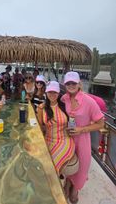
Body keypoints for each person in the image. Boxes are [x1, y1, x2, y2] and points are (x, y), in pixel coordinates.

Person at [61, 71, 104, 203]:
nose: (71, 85)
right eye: (68, 83)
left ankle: (75, 189)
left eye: (73, 82)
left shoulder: (89, 101)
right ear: (65, 84)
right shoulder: (64, 98)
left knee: (82, 167)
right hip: (68, 138)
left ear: (79, 84)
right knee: (69, 164)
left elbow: (100, 123)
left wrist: (81, 129)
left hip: (83, 140)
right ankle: (68, 183)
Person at [38, 81, 75, 177]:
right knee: (41, 163)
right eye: (50, 92)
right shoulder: (41, 108)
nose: (52, 94)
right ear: (46, 93)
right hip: (48, 139)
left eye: (55, 92)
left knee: (52, 166)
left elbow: (71, 123)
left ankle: (55, 187)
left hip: (64, 140)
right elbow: (40, 126)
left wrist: (73, 125)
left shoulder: (65, 106)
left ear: (58, 93)